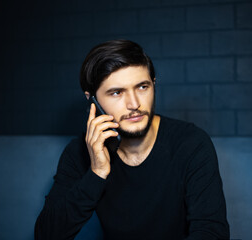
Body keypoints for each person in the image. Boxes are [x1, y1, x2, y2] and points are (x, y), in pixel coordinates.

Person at [34, 39, 230, 240]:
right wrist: (97, 173)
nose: (134, 104)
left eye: (142, 87)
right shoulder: (80, 153)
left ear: (154, 84)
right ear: (92, 101)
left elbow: (211, 232)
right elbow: (46, 235)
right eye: (117, 92)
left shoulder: (191, 143)